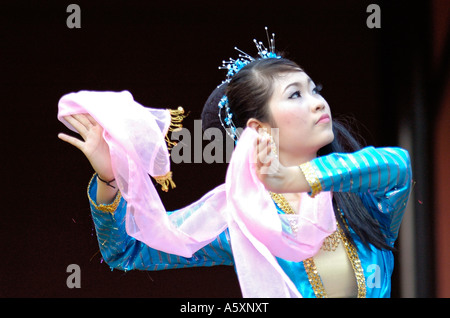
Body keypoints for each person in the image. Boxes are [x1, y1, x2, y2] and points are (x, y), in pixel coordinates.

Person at [57, 34, 412, 298]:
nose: (318, 102)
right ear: (257, 129)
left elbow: (398, 166)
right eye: (296, 95)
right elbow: (126, 250)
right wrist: (110, 176)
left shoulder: (357, 199)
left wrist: (293, 178)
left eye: (314, 89)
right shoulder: (243, 219)